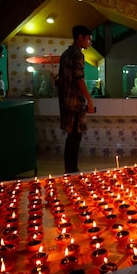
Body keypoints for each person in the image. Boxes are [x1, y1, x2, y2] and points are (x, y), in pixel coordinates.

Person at [57, 25, 96, 174]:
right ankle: (72, 170)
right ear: (80, 37)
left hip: (65, 102)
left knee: (71, 137)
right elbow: (79, 79)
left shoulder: (65, 54)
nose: (89, 43)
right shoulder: (77, 54)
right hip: (74, 102)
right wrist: (89, 99)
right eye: (88, 39)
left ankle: (69, 168)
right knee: (75, 136)